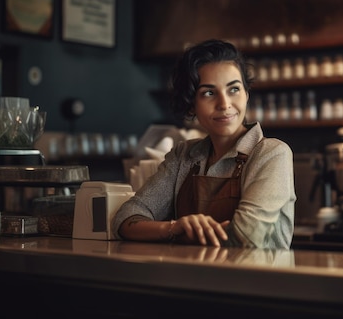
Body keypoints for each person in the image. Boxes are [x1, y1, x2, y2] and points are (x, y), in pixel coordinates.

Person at [112, 39, 296, 249]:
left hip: (254, 280)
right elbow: (125, 218)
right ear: (191, 105)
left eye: (233, 89)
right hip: (193, 279)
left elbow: (246, 236)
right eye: (209, 93)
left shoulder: (271, 153)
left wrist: (172, 235)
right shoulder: (184, 155)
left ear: (246, 94)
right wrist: (173, 227)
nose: (224, 104)